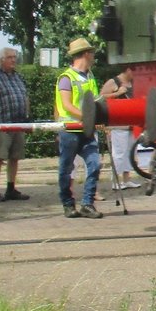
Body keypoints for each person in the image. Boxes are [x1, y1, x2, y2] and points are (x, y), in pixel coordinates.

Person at [55, 38, 104, 219]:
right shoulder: (67, 78)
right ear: (85, 54)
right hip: (70, 130)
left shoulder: (90, 76)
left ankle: (87, 203)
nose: (93, 56)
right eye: (91, 52)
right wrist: (88, 117)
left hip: (87, 130)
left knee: (95, 164)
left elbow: (96, 101)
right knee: (66, 169)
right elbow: (67, 105)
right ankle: (68, 204)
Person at [0, 47, 31, 202]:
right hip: (1, 125)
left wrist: (27, 119)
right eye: (10, 57)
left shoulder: (19, 77)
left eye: (15, 57)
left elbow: (25, 97)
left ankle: (11, 188)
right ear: (2, 59)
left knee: (15, 157)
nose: (13, 60)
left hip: (18, 124)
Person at [100, 67, 140, 190]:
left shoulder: (133, 83)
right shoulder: (114, 82)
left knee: (130, 151)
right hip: (118, 124)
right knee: (119, 153)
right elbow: (101, 97)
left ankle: (126, 179)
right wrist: (117, 93)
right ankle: (115, 180)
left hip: (131, 124)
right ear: (128, 70)